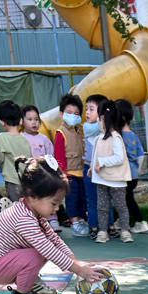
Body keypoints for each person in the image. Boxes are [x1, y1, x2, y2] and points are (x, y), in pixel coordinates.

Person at [0, 154, 102, 294]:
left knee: (42, 249)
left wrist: (75, 262)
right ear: (32, 195)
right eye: (54, 203)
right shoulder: (23, 219)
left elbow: (54, 240)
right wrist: (78, 269)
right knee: (36, 254)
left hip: (3, 260)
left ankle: (30, 280)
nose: (57, 209)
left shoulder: (34, 213)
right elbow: (47, 249)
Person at [89, 99, 132, 244]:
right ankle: (103, 231)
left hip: (116, 180)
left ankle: (125, 231)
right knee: (102, 207)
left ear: (102, 118)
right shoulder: (98, 138)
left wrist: (102, 162)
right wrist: (92, 167)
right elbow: (95, 156)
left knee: (121, 206)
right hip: (101, 179)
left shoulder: (116, 138)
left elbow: (119, 158)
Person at [21, 103, 60, 231]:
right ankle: (33, 222)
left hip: (44, 175)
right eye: (29, 119)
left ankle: (52, 219)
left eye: (36, 119)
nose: (34, 122)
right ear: (22, 121)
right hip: (29, 176)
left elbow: (51, 156)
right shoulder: (21, 138)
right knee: (33, 198)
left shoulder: (44, 139)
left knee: (47, 195)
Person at [53, 93, 88, 236]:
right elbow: (59, 157)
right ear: (61, 114)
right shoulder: (60, 133)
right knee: (72, 200)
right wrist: (63, 175)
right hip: (70, 175)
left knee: (82, 199)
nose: (73, 116)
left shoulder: (80, 131)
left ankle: (82, 221)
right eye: (69, 113)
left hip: (82, 173)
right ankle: (75, 223)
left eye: (76, 113)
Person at [82, 92, 113, 239]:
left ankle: (109, 225)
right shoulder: (87, 127)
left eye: (91, 109)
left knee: (106, 198)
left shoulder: (108, 131)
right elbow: (96, 128)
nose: (87, 113)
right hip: (88, 168)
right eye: (86, 109)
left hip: (104, 168)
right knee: (92, 199)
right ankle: (93, 225)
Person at [116, 99, 148, 234]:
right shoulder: (134, 136)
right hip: (134, 175)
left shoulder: (119, 137)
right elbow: (141, 154)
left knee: (127, 199)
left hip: (124, 174)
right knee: (126, 198)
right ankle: (122, 220)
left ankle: (140, 221)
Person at [0, 100, 31, 202]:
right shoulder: (25, 139)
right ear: (21, 121)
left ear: (2, 122)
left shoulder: (2, 137)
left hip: (12, 180)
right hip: (26, 180)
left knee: (16, 206)